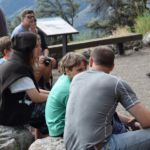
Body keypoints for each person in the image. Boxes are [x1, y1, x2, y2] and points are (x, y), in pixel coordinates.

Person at [64, 46, 150, 150]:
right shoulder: (116, 83)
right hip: (99, 147)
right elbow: (146, 121)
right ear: (113, 66)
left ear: (91, 61)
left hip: (71, 146)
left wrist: (129, 121)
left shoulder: (76, 79)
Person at [0, 32, 48, 135]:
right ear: (29, 49)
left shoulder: (14, 63)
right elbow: (37, 97)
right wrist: (56, 96)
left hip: (8, 111)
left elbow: (34, 90)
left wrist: (52, 93)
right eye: (37, 46)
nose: (40, 48)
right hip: (8, 117)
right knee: (53, 107)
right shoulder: (17, 69)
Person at [45, 52, 87, 137]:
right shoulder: (68, 90)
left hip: (58, 125)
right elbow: (80, 114)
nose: (84, 73)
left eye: (85, 69)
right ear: (68, 70)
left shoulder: (66, 78)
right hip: (60, 130)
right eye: (79, 70)